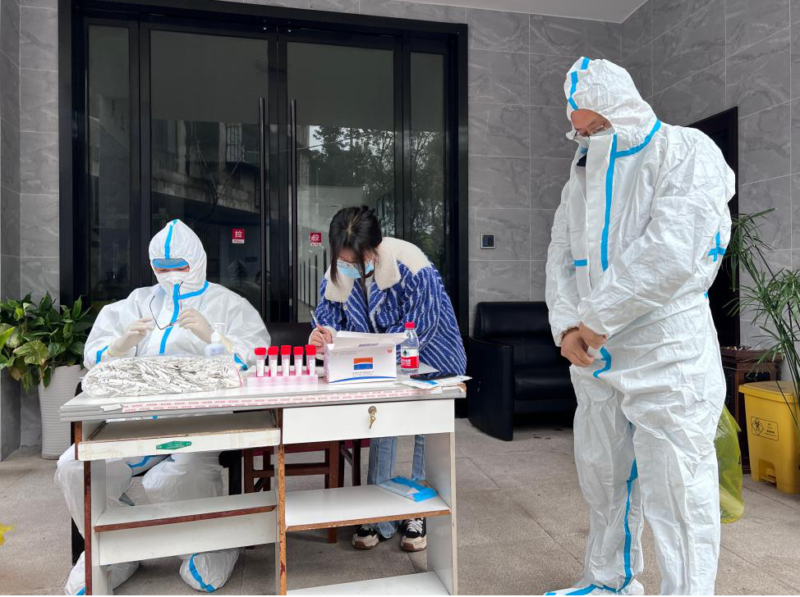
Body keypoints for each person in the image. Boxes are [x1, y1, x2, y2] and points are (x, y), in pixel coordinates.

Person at [544, 58, 735, 596]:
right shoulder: (579, 179)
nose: (587, 140)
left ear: (626, 110)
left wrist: (596, 320)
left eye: (597, 126)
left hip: (666, 351)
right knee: (603, 476)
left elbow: (671, 250)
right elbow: (561, 256)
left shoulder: (684, 151)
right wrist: (567, 326)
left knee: (677, 488)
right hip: (594, 354)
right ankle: (609, 581)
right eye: (579, 131)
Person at [55, 219, 270, 594]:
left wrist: (212, 336)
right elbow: (96, 357)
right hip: (130, 423)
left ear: (197, 262)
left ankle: (213, 545)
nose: (171, 275)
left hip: (198, 424)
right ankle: (116, 547)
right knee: (73, 466)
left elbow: (256, 357)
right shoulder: (137, 302)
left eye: (179, 266)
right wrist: (120, 345)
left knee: (171, 479)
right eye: (162, 267)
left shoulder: (227, 304)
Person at [309, 206, 466, 552]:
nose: (350, 266)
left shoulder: (412, 265)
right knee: (381, 422)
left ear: (375, 248)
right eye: (343, 259)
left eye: (358, 260)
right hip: (377, 364)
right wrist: (323, 334)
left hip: (431, 357)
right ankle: (379, 513)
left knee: (426, 430)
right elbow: (326, 315)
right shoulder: (337, 272)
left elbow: (421, 326)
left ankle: (418, 512)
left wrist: (375, 355)